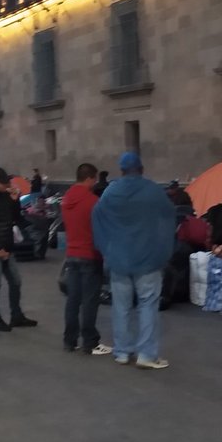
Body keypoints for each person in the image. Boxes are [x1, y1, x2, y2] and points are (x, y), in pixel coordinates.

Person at [92, 152, 176, 369]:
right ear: (141, 169)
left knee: (121, 307)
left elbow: (97, 215)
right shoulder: (152, 190)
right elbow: (169, 214)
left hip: (119, 259)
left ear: (121, 171)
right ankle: (146, 354)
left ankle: (122, 351)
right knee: (148, 305)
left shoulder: (111, 191)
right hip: (147, 258)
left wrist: (107, 247)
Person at [60, 162, 112, 356]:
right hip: (90, 254)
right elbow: (101, 228)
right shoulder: (93, 202)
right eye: (94, 179)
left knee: (73, 300)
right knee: (90, 301)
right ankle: (90, 342)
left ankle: (69, 341)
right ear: (90, 178)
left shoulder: (66, 199)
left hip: (71, 255)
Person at [0, 167, 38, 331]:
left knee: (16, 281)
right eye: (2, 183)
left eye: (6, 182)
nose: (6, 185)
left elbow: (15, 218)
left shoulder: (7, 196)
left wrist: (15, 201)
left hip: (8, 246)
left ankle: (16, 315)